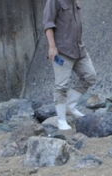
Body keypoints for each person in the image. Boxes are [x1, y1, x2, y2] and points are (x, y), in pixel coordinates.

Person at [43, 0, 97, 131]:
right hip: (62, 51)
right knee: (61, 86)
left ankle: (70, 106)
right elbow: (48, 24)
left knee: (90, 76)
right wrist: (52, 47)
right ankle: (61, 120)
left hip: (79, 49)